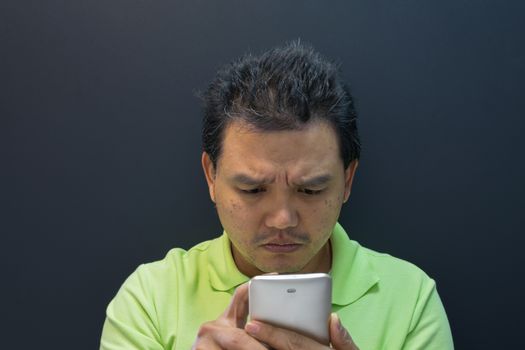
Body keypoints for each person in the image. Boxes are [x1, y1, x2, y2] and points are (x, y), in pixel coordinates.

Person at [100, 42, 454, 349]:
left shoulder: (410, 300)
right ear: (211, 175)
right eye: (253, 189)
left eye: (310, 189)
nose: (282, 218)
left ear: (348, 180)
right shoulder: (150, 298)